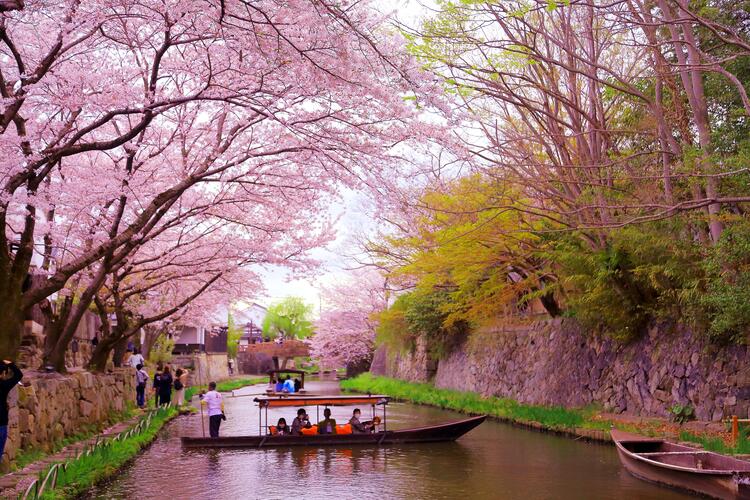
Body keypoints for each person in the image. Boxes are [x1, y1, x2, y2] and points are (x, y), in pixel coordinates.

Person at [0, 360, 22, 460]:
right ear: (3, 373)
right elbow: (18, 375)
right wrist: (10, 364)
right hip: (1, 422)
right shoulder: (3, 385)